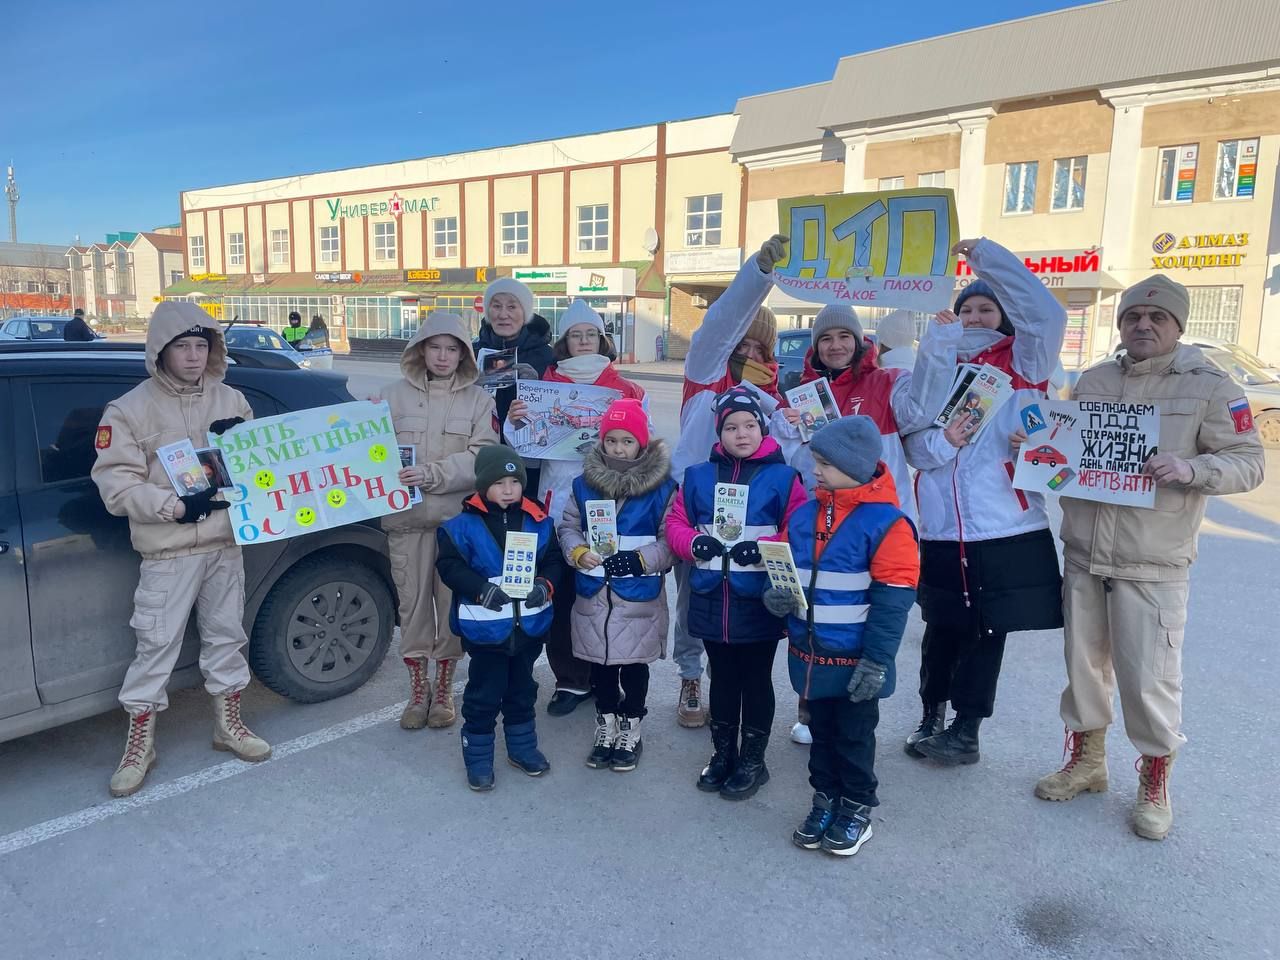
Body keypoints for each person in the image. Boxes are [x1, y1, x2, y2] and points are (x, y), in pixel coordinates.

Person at [1033, 275, 1264, 841]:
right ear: (1121, 324)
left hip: (1152, 561)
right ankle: (1087, 763)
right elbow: (1068, 452)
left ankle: (1155, 778)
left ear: (1178, 326)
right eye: (1134, 316)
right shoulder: (1093, 380)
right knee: (1083, 670)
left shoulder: (1211, 386)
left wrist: (1193, 470)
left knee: (1149, 680)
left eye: (1158, 318)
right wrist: (1038, 449)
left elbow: (1249, 462)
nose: (1144, 325)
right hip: (1086, 554)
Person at [90, 301, 269, 798]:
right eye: (182, 347)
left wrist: (247, 454)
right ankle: (139, 745)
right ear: (160, 351)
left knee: (226, 637)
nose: (193, 357)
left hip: (225, 546)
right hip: (168, 553)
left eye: (201, 346)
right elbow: (115, 485)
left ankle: (229, 725)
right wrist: (170, 506)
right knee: (154, 646)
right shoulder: (129, 410)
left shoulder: (233, 399)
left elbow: (262, 470)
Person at [900, 237, 1068, 766]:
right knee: (940, 627)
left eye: (986, 307)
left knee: (985, 632)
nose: (974, 316)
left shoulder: (1026, 360)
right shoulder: (933, 365)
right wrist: (940, 441)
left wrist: (988, 258)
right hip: (943, 528)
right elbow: (912, 439)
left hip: (1006, 525)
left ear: (1003, 315)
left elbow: (1045, 313)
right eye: (966, 307)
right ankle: (931, 712)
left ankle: (967, 728)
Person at [762, 416, 919, 856]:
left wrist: (877, 660)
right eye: (815, 461)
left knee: (853, 737)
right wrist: (774, 594)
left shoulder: (888, 525)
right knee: (821, 734)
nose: (815, 470)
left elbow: (893, 603)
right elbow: (786, 571)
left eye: (825, 464)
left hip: (855, 659)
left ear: (855, 467)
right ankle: (825, 799)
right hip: (810, 653)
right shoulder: (804, 514)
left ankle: (856, 807)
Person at [669, 233, 790, 729]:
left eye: (756, 344)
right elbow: (718, 327)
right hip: (699, 510)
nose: (746, 351)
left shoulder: (781, 399)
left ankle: (738, 684)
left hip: (756, 522)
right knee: (693, 597)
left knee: (744, 605)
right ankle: (690, 676)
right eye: (740, 343)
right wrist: (757, 274)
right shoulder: (705, 374)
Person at [504, 299, 647, 717]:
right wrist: (515, 421)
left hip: (607, 509)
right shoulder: (544, 386)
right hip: (555, 504)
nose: (583, 341)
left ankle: (610, 674)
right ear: (563, 342)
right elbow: (524, 448)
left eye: (590, 334)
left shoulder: (624, 389)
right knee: (563, 595)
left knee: (607, 594)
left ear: (602, 339)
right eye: (574, 335)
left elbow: (644, 442)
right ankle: (570, 679)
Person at [666, 386, 807, 800]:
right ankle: (723, 753)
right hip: (710, 595)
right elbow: (676, 521)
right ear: (719, 432)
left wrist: (765, 548)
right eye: (731, 427)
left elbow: (797, 527)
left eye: (749, 425)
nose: (741, 434)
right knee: (723, 679)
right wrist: (692, 543)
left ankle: (753, 759)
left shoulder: (783, 477)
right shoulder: (697, 476)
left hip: (757, 598)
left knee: (756, 679)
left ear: (762, 429)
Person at [377, 312, 497, 731]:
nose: (443, 357)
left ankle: (443, 689)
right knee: (411, 609)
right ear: (420, 350)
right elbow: (363, 456)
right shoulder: (389, 398)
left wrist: (433, 474)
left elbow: (483, 458)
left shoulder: (480, 401)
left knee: (450, 608)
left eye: (452, 349)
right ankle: (417, 689)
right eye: (434, 347)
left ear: (464, 354)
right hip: (405, 523)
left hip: (455, 528)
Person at [435, 447, 566, 791]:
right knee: (483, 695)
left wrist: (546, 584)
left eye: (514, 482)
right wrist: (479, 589)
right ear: (482, 486)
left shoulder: (540, 521)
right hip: (486, 630)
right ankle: (478, 758)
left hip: (528, 629)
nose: (508, 489)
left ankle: (522, 748)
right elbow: (449, 567)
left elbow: (554, 560)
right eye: (499, 482)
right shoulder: (460, 527)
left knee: (523, 691)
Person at [557, 399, 677, 771]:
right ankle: (606, 722)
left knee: (634, 665)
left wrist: (642, 559)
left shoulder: (662, 488)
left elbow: (669, 539)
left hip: (636, 596)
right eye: (612, 441)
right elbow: (568, 526)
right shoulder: (583, 484)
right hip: (594, 594)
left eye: (627, 441)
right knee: (601, 666)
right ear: (602, 442)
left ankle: (631, 726)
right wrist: (577, 552)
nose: (619, 448)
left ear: (641, 444)